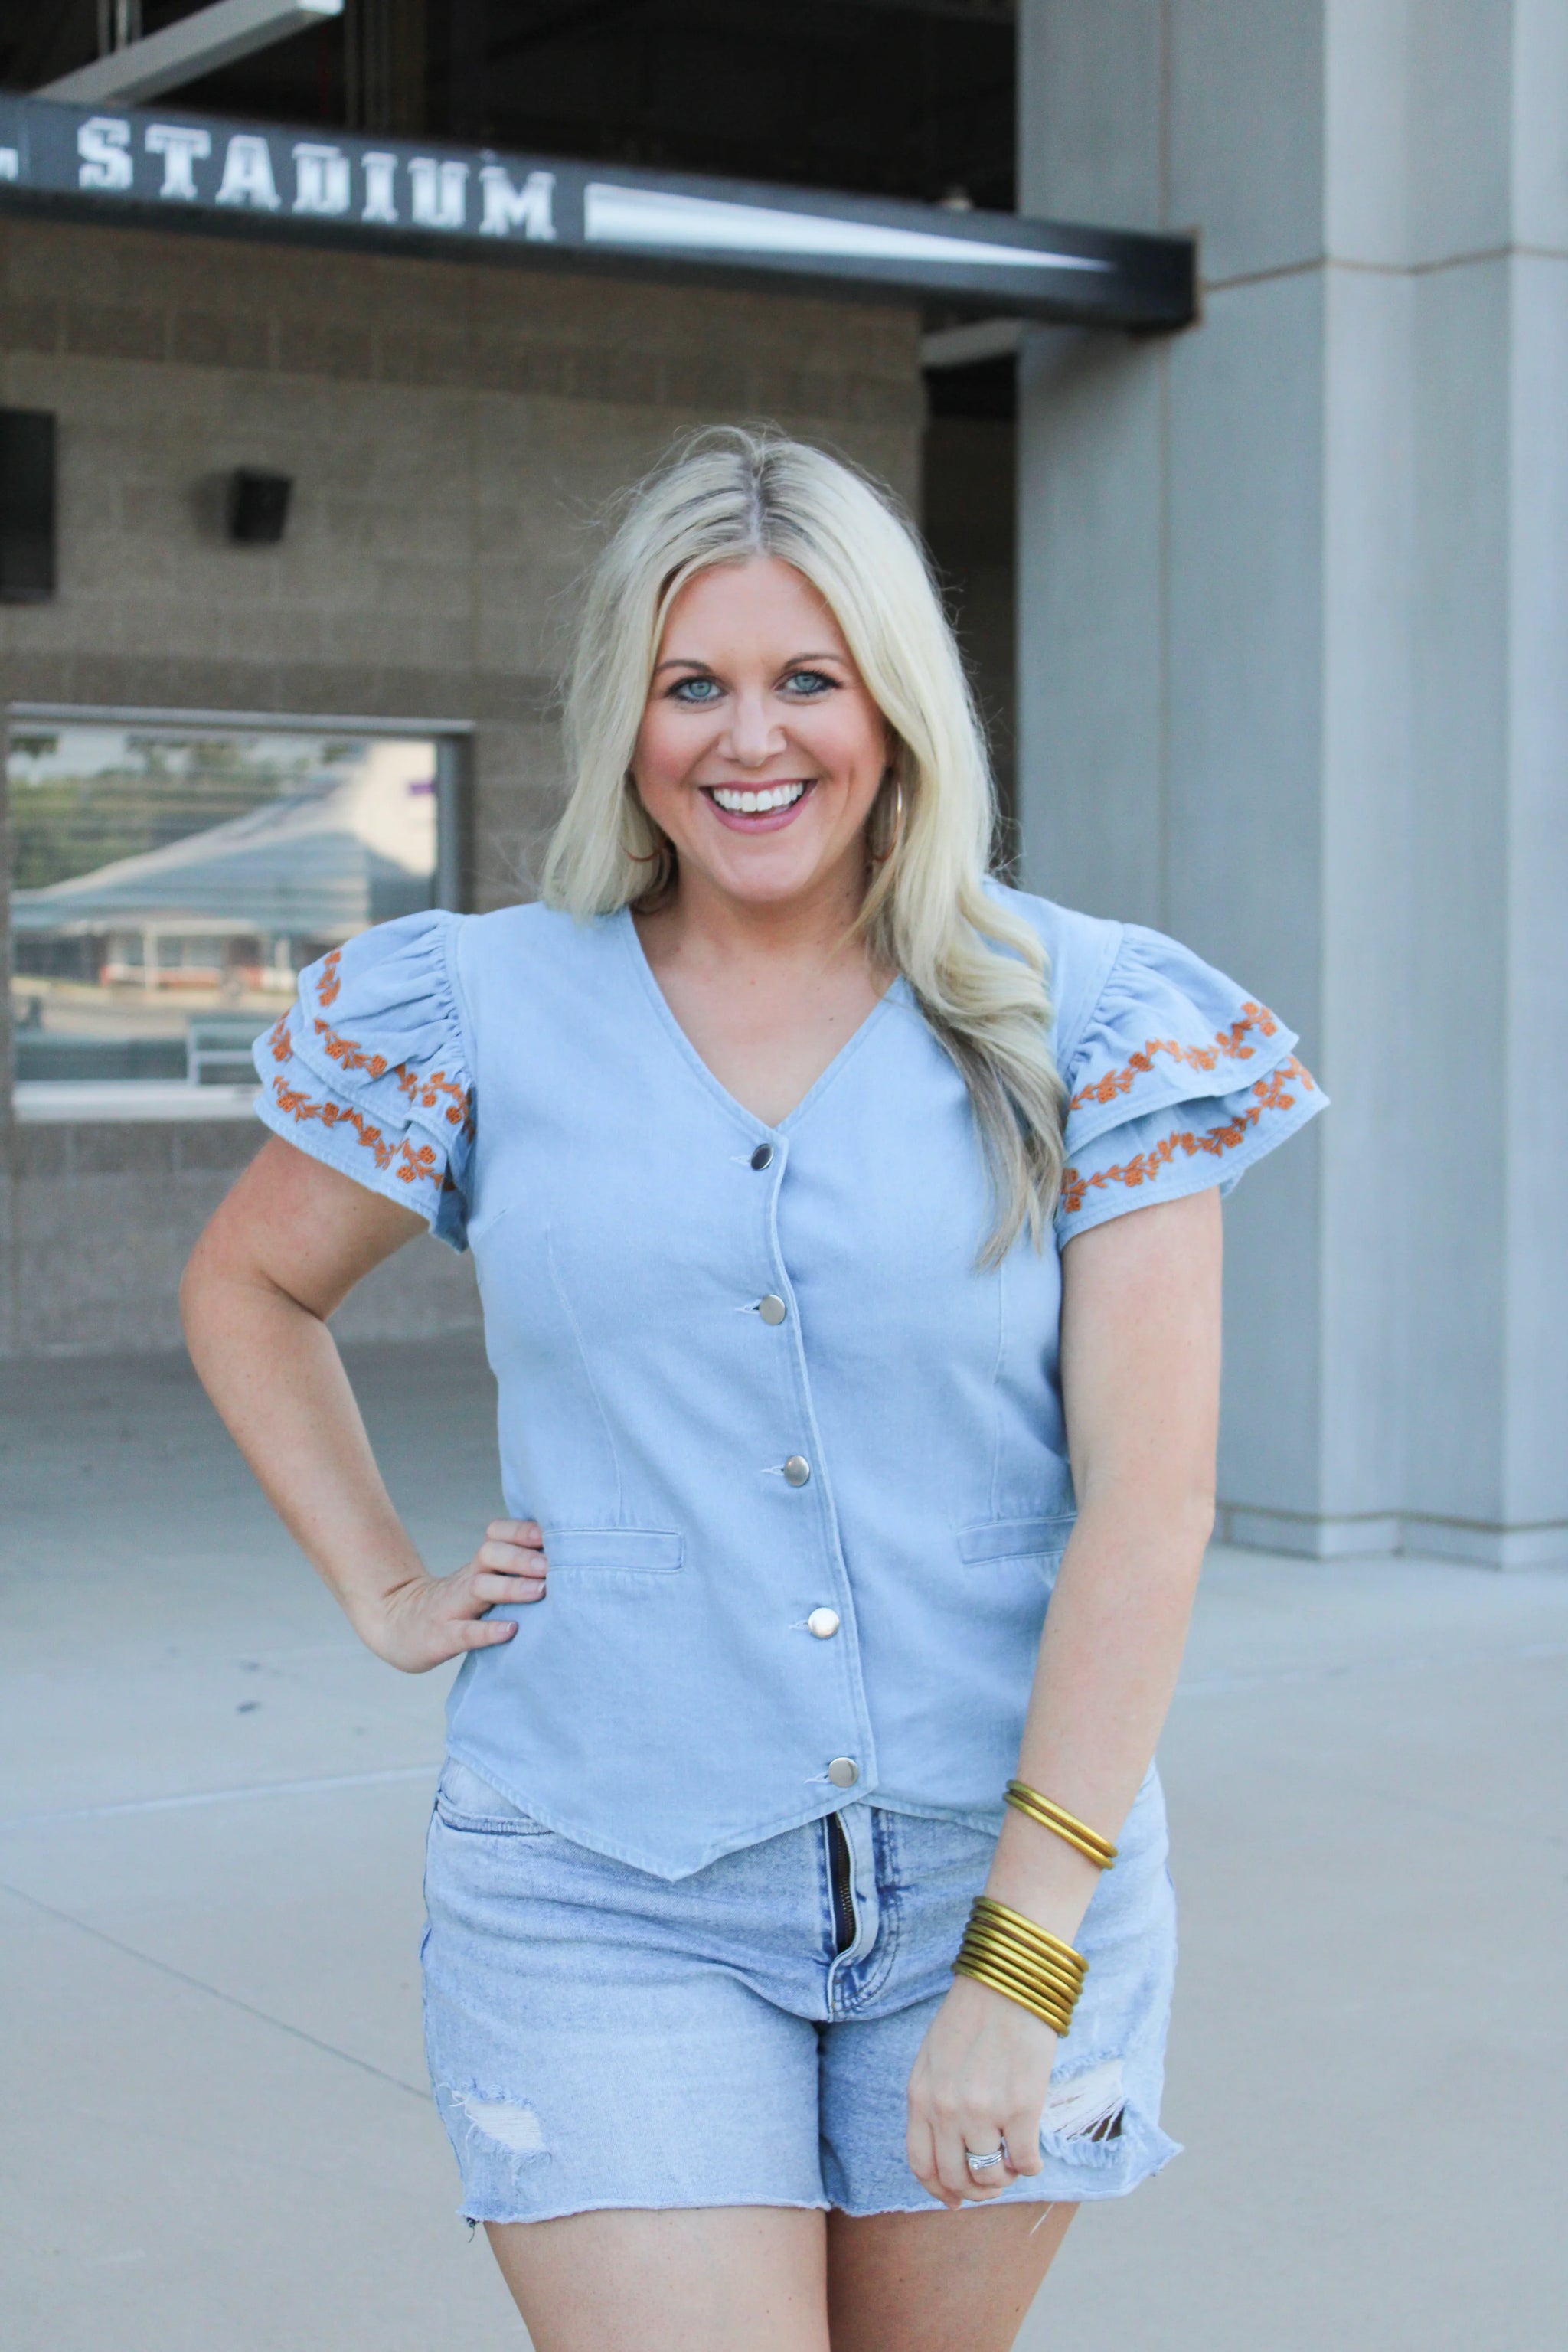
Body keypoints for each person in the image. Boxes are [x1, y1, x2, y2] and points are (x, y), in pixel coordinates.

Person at [181, 428, 1324, 2352]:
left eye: (807, 678)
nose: (748, 739)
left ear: (895, 705)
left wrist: (1021, 1967)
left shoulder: (1095, 1019)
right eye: (690, 685)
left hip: (997, 1881)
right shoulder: (477, 1005)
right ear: (624, 718)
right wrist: (381, 1583)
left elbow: (1151, 1505)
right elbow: (250, 1283)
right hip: (600, 1880)